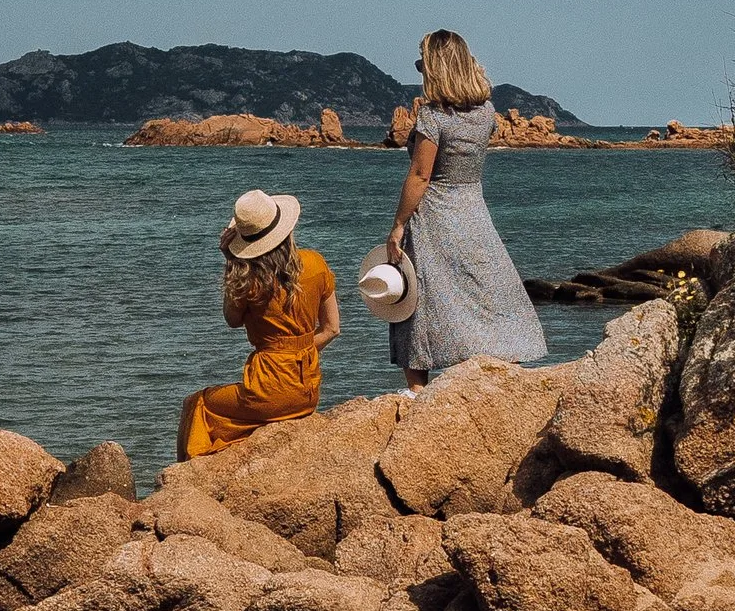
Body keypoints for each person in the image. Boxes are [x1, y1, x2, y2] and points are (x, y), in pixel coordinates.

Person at [383, 28, 550, 386]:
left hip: (436, 213)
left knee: (420, 299)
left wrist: (397, 225)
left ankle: (417, 394)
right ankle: (508, 369)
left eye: (424, 64)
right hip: (473, 209)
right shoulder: (486, 112)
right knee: (488, 289)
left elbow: (420, 175)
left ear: (436, 67)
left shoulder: (433, 116)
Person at [177, 188, 342, 458]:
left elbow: (231, 320)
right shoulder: (316, 263)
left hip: (267, 392)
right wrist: (297, 353)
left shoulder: (249, 281)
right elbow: (332, 329)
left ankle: (183, 480)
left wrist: (231, 263)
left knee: (196, 404)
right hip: (308, 391)